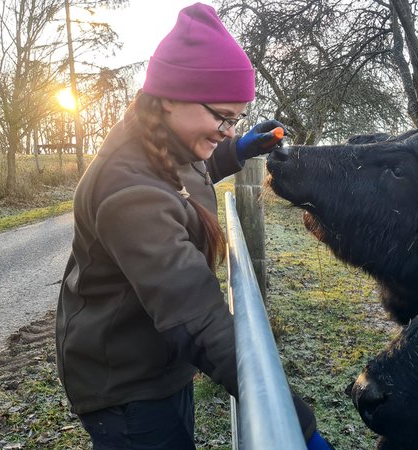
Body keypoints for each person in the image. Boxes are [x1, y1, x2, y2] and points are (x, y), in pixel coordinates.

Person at [55, 3, 331, 449]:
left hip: (156, 359)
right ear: (169, 95)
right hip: (126, 385)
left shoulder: (161, 140)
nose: (227, 128)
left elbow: (187, 174)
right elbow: (196, 318)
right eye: (222, 116)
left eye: (237, 118)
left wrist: (237, 148)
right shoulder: (129, 190)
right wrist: (288, 418)